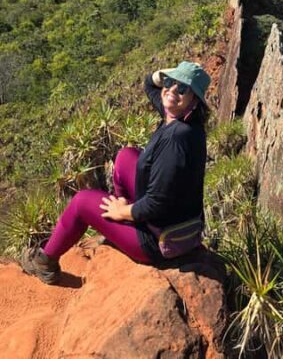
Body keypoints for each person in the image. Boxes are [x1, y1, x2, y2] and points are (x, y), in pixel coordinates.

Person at [20, 61, 210, 284]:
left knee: (81, 202)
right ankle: (126, 225)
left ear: (194, 100)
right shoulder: (179, 118)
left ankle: (46, 263)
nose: (172, 91)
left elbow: (158, 203)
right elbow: (150, 84)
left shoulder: (176, 140)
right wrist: (165, 79)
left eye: (183, 88)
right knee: (126, 156)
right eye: (170, 83)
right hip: (169, 221)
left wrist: (124, 212)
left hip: (159, 241)